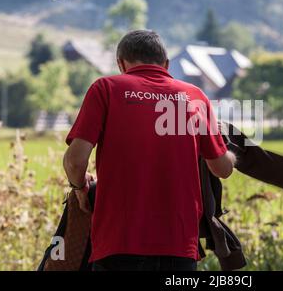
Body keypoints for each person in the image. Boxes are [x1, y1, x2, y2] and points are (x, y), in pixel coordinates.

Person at [62, 30, 236, 271]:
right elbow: (222, 168)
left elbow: (74, 162)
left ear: (121, 63)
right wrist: (229, 150)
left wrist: (81, 188)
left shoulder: (106, 89)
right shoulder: (194, 96)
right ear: (166, 64)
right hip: (178, 246)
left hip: (117, 245)